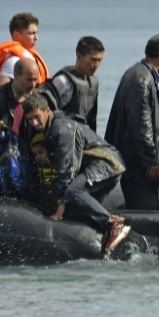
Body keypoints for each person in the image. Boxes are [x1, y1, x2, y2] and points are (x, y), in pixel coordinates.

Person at [23, 94, 130, 253]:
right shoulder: (50, 128)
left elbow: (67, 167)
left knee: (73, 191)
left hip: (106, 163)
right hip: (97, 165)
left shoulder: (61, 129)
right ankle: (108, 236)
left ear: (47, 111)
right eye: (30, 119)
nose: (34, 123)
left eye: (37, 117)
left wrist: (61, 203)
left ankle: (113, 224)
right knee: (77, 207)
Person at [105, 34, 159, 210]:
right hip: (138, 164)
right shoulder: (141, 79)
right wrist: (150, 160)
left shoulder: (141, 74)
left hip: (136, 159)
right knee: (146, 208)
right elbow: (140, 124)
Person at [41, 36, 104, 131]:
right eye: (93, 60)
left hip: (87, 138)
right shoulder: (62, 81)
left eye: (99, 60)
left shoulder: (94, 82)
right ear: (79, 56)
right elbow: (42, 112)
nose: (96, 65)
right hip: (64, 137)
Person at [0, 12, 49, 86]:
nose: (36, 38)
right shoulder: (14, 60)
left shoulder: (28, 55)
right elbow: (0, 91)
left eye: (36, 33)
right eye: (31, 33)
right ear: (16, 35)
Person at [29, 134, 59, 215]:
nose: (38, 156)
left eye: (41, 152)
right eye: (35, 155)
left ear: (49, 150)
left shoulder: (58, 165)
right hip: (47, 207)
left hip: (59, 206)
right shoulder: (38, 169)